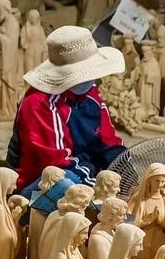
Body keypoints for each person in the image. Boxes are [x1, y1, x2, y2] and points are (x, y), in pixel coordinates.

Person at [7, 25, 126, 189]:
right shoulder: (38, 102)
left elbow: (107, 141)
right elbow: (57, 163)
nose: (90, 80)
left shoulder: (90, 92)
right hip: (41, 181)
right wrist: (102, 188)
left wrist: (126, 170)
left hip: (83, 168)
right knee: (66, 181)